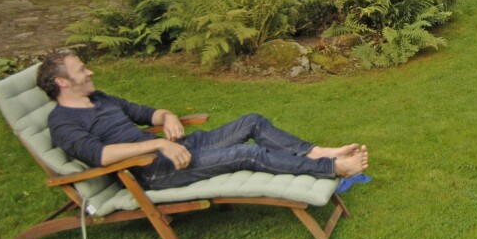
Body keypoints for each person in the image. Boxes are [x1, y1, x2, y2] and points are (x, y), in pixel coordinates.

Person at [37, 49, 368, 189]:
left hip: (176, 148)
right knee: (248, 153)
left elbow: (147, 113)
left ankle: (315, 152)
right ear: (62, 83)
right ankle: (332, 168)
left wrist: (166, 117)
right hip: (153, 170)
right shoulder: (63, 123)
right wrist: (156, 145)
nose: (90, 71)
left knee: (252, 120)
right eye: (82, 70)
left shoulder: (99, 98)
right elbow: (100, 156)